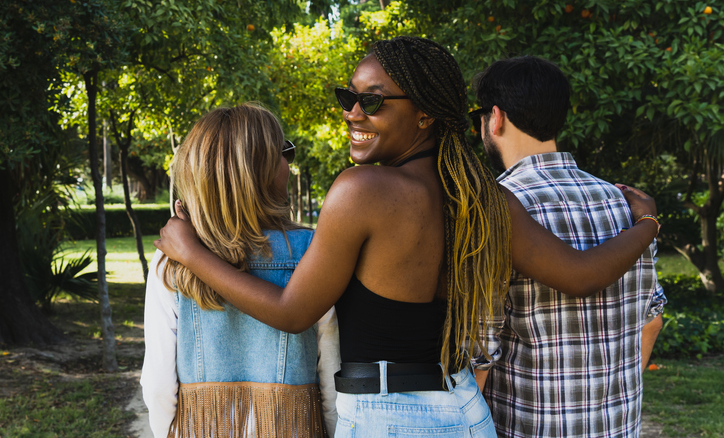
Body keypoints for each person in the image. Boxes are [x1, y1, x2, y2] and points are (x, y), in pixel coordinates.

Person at [154, 37, 660, 437]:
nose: (353, 112)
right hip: (463, 408)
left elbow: (292, 311)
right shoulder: (480, 195)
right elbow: (579, 274)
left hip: (389, 416)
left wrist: (190, 251)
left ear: (424, 114)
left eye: (371, 101)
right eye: (348, 97)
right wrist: (646, 226)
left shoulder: (362, 190)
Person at [470, 56, 667, 438]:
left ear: (495, 117)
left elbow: (480, 352)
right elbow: (652, 322)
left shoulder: (497, 209)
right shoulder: (626, 204)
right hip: (616, 428)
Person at [140, 104, 340, 438]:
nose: (289, 165)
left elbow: (158, 384)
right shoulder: (311, 252)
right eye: (284, 153)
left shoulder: (171, 261)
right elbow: (332, 374)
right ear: (258, 172)